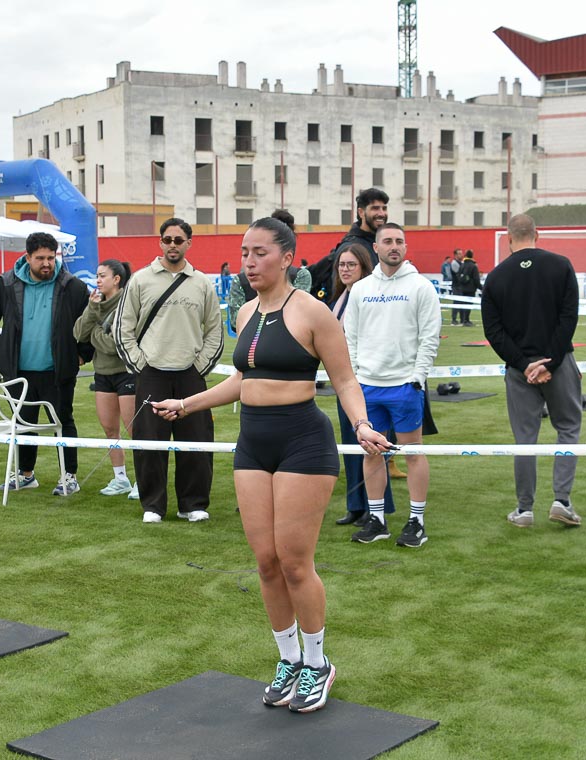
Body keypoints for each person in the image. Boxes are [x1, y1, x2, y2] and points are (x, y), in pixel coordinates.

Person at [151, 217, 392, 713]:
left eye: (259, 253)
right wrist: (187, 404)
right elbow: (243, 379)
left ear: (286, 258)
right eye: (244, 253)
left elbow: (345, 380)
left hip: (303, 443)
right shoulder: (245, 313)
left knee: (295, 562)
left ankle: (318, 663)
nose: (249, 262)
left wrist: (362, 424)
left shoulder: (313, 312)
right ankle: (289, 660)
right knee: (265, 562)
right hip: (253, 445)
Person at [114, 218, 224, 523]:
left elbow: (215, 330)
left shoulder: (202, 283)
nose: (172, 245)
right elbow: (122, 327)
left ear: (189, 243)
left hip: (191, 374)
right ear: (160, 242)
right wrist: (141, 364)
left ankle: (193, 504)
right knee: (149, 442)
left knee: (197, 441)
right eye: (167, 240)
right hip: (152, 373)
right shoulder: (140, 280)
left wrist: (199, 367)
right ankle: (153, 505)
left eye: (178, 240)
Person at [481, 214, 583, 529]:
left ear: (509, 239)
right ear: (537, 234)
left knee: (525, 438)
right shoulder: (561, 265)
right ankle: (562, 501)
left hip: (519, 369)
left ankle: (524, 509)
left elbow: (493, 332)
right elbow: (569, 317)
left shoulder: (496, 276)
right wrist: (549, 362)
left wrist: (525, 364)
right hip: (558, 363)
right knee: (568, 427)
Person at [344, 223, 441, 547]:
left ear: (406, 247)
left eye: (399, 241)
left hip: (404, 387)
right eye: (387, 241)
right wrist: (356, 377)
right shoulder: (361, 289)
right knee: (372, 453)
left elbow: (429, 337)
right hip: (368, 386)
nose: (394, 246)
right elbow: (350, 337)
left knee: (413, 453)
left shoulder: (421, 287)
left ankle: (417, 521)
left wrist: (417, 378)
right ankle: (377, 520)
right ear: (376, 247)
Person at [0, 232, 90, 497]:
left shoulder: (72, 286)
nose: (47, 263)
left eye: (51, 257)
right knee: (22, 424)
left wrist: (83, 353)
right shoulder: (6, 284)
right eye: (40, 258)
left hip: (57, 371)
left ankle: (69, 476)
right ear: (27, 257)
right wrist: (0, 350)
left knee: (63, 422)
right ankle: (25, 474)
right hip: (18, 372)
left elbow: (90, 321)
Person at [328, 244, 396, 526]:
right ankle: (356, 506)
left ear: (364, 267)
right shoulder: (340, 299)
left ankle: (375, 506)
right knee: (351, 446)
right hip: (344, 382)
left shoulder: (371, 296)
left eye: (351, 265)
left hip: (367, 382)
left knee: (372, 446)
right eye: (341, 265)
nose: (345, 269)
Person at [73, 259, 139, 500]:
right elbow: (78, 333)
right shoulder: (96, 303)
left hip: (127, 373)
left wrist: (94, 333)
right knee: (110, 429)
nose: (98, 280)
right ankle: (120, 478)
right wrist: (92, 310)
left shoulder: (128, 304)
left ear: (117, 279)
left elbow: (114, 345)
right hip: (102, 374)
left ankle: (144, 480)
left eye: (102, 276)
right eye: (97, 276)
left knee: (135, 430)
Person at [305, 187, 390, 303]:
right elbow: (340, 291)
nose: (381, 213)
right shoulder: (351, 247)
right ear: (361, 212)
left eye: (384, 208)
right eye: (375, 208)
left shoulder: (376, 243)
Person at [451, 248, 481, 326]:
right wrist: (481, 287)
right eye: (459, 253)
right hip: (468, 288)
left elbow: (459, 275)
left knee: (462, 303)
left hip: (462, 287)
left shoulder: (462, 264)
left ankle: (463, 319)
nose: (461, 255)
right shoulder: (473, 266)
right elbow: (476, 279)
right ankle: (463, 320)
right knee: (465, 304)